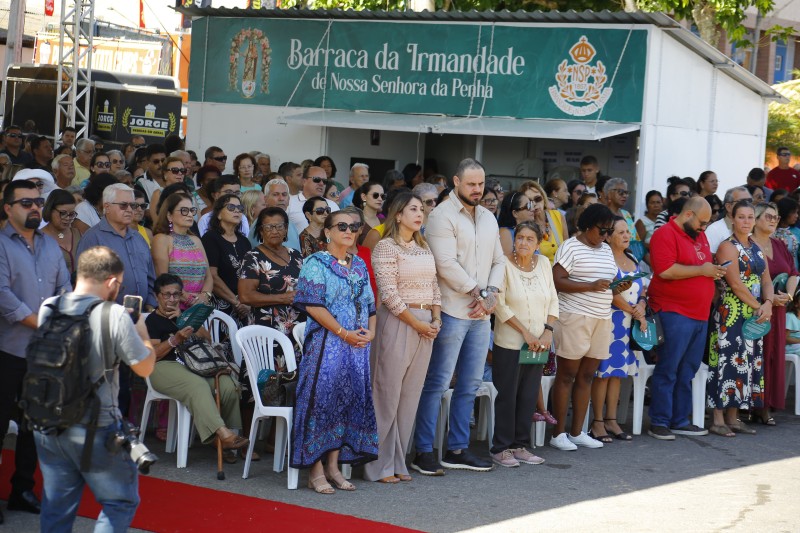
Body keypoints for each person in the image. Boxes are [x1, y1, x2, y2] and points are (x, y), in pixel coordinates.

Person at [35, 246, 155, 532]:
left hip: (50, 422)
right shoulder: (114, 315)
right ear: (112, 282)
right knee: (119, 502)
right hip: (97, 424)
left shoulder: (49, 307)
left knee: (56, 507)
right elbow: (144, 368)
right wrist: (143, 333)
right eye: (119, 283)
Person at [412, 158, 504, 475]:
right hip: (451, 309)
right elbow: (445, 264)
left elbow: (499, 260)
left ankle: (456, 449)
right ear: (456, 181)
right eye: (471, 184)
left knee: (470, 383)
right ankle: (423, 450)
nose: (478, 190)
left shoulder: (489, 218)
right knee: (437, 382)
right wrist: (480, 293)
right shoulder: (440, 216)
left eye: (481, 184)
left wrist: (490, 294)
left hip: (480, 313)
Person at [291, 211, 378, 493]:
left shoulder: (360, 264)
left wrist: (371, 331)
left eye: (354, 226)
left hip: (357, 348)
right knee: (322, 402)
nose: (349, 230)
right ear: (327, 231)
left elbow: (371, 306)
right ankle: (315, 470)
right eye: (342, 226)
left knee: (347, 402)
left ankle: (333, 466)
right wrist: (343, 333)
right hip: (327, 346)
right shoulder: (315, 263)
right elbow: (312, 304)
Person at [0, 180, 72, 523]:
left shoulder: (50, 245)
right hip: (7, 350)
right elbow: (4, 298)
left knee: (34, 426)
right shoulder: (0, 245)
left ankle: (22, 490)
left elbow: (65, 288)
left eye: (38, 202)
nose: (34, 207)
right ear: (8, 208)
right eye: (26, 202)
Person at [365, 192, 441, 483]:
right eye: (412, 209)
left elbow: (434, 288)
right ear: (398, 215)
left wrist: (435, 319)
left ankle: (398, 461)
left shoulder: (424, 248)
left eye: (421, 209)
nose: (419, 214)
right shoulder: (385, 247)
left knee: (409, 396)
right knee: (387, 394)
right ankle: (377, 465)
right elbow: (389, 294)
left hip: (425, 323)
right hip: (398, 321)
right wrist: (418, 324)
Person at [647, 196, 724, 440]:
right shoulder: (664, 234)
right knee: (668, 368)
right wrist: (702, 271)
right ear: (688, 214)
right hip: (674, 311)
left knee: (687, 370)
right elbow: (665, 270)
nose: (704, 228)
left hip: (699, 314)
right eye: (702, 222)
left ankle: (680, 419)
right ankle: (659, 421)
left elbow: (703, 264)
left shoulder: (697, 234)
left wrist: (712, 272)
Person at [145, 273, 248, 453]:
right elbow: (153, 356)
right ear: (157, 296)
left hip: (194, 365)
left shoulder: (185, 315)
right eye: (166, 295)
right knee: (198, 385)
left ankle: (231, 442)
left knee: (228, 386)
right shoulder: (152, 321)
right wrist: (174, 340)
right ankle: (223, 436)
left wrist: (182, 321)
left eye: (176, 294)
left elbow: (207, 338)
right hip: (163, 367)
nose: (172, 299)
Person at [549, 204, 620, 451]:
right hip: (574, 316)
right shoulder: (571, 246)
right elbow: (556, 280)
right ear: (588, 226)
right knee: (567, 375)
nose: (606, 236)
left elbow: (607, 281)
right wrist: (590, 286)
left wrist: (615, 288)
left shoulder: (606, 249)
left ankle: (577, 431)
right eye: (602, 230)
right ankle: (558, 433)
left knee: (587, 375)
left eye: (609, 231)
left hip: (602, 317)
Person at [491, 221, 557, 466]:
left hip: (539, 343)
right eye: (520, 237)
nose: (523, 243)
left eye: (530, 239)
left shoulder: (544, 264)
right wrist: (526, 333)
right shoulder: (504, 264)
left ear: (538, 243)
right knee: (508, 395)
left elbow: (552, 298)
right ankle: (501, 448)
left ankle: (520, 445)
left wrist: (547, 332)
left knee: (528, 395)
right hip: (511, 342)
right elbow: (499, 305)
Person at [707, 201, 773, 437]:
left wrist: (768, 303)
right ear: (732, 219)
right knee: (725, 363)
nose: (746, 221)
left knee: (744, 364)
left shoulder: (756, 245)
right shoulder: (727, 246)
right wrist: (760, 306)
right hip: (731, 312)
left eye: (750, 217)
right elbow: (734, 284)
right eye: (741, 217)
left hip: (754, 313)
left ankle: (733, 418)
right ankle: (717, 419)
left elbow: (766, 279)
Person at [589, 217, 645, 443]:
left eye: (627, 232)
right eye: (621, 232)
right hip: (609, 321)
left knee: (618, 375)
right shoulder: (605, 258)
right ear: (609, 235)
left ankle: (612, 420)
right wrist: (634, 310)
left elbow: (643, 288)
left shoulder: (632, 257)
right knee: (603, 373)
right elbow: (610, 293)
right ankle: (598, 422)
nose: (626, 236)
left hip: (628, 323)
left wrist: (641, 305)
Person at [747, 202, 796, 426]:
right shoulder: (747, 245)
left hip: (779, 309)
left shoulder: (780, 245)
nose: (774, 220)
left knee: (774, 355)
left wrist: (789, 294)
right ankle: (750, 405)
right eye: (768, 216)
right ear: (755, 220)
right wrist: (769, 299)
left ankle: (766, 405)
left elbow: (794, 272)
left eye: (776, 217)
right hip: (754, 308)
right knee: (756, 356)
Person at [238, 207, 305, 341]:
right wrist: (282, 298)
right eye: (269, 227)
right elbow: (245, 296)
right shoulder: (253, 257)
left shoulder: (296, 255)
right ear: (261, 231)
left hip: (298, 326)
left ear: (286, 229)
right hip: (268, 328)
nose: (274, 231)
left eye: (279, 226)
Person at [151, 193, 213, 310]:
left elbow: (208, 277)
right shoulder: (161, 239)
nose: (190, 214)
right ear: (169, 215)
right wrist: (189, 299)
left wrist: (205, 296)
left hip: (198, 308)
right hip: (173, 308)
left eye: (192, 210)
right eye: (184, 210)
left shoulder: (196, 240)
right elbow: (164, 279)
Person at [201, 194, 252, 324]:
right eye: (231, 207)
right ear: (218, 214)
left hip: (245, 307)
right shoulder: (210, 238)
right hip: (221, 307)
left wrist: (247, 302)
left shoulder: (244, 241)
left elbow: (251, 275)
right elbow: (212, 275)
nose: (236, 210)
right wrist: (236, 302)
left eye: (240, 208)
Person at [520, 181, 568, 263]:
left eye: (538, 199)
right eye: (529, 202)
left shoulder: (558, 216)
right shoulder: (525, 225)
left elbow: (567, 250)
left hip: (561, 272)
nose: (535, 204)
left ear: (544, 197)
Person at [41, 189, 81, 277]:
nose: (67, 218)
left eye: (71, 214)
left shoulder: (77, 234)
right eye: (63, 213)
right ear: (50, 210)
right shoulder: (39, 238)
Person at [287, 165, 339, 234]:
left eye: (324, 181)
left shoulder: (333, 205)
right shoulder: (289, 202)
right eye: (316, 179)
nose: (321, 184)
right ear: (304, 181)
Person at [705, 186, 752, 254]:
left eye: (749, 201)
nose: (747, 205)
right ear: (729, 207)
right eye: (743, 202)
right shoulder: (714, 230)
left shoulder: (754, 228)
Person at [263, 177, 301, 250]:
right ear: (265, 199)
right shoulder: (261, 223)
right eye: (275, 194)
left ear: (289, 199)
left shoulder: (291, 224)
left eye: (284, 194)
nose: (281, 198)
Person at [149, 156, 188, 221]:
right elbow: (157, 222)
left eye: (182, 170)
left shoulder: (188, 193)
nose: (180, 173)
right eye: (175, 170)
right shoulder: (158, 194)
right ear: (165, 174)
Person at [774, 197, 800, 269]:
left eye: (797, 212)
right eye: (793, 212)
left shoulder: (798, 232)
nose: (797, 216)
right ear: (785, 212)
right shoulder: (770, 231)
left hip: (795, 275)